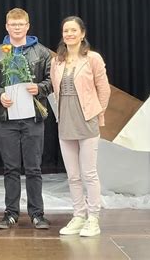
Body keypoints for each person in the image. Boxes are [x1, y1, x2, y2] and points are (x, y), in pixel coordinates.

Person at [0, 7, 52, 229]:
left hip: (33, 118)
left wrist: (39, 88)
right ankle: (11, 213)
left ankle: (37, 214)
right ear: (7, 27)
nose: (17, 28)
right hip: (6, 119)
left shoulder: (41, 52)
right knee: (10, 168)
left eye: (20, 24)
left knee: (34, 168)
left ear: (27, 26)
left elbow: (52, 81)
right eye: (13, 24)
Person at [51, 16, 110, 237]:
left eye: (73, 30)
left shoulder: (92, 58)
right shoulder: (57, 60)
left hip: (87, 121)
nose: (69, 34)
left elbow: (104, 90)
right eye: (66, 30)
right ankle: (78, 215)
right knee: (73, 175)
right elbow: (56, 90)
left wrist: (96, 113)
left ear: (82, 34)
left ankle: (93, 218)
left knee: (89, 173)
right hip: (65, 121)